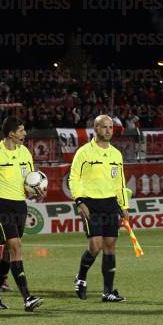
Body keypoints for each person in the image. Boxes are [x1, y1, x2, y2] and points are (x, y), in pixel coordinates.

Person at [0, 117, 45, 312]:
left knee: (8, 253)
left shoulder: (25, 153)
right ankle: (27, 298)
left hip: (20, 206)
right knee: (16, 247)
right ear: (11, 133)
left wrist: (37, 190)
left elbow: (30, 181)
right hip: (1, 206)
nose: (25, 133)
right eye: (22, 130)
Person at [69, 115, 130, 302]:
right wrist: (79, 201)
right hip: (90, 204)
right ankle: (81, 278)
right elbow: (73, 177)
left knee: (110, 246)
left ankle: (108, 292)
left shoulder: (116, 154)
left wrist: (124, 205)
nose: (109, 130)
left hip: (111, 203)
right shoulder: (84, 152)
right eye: (105, 127)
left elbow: (120, 182)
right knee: (95, 246)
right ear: (95, 129)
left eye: (111, 127)